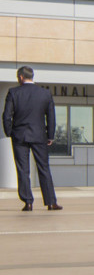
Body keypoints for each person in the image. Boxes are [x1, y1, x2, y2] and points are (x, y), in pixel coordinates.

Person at [3, 67, 61, 212]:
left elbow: (6, 115)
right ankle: (51, 202)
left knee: (23, 169)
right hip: (39, 135)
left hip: (19, 135)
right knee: (44, 168)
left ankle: (28, 202)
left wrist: (10, 132)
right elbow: (51, 116)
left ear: (21, 77)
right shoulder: (45, 93)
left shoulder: (13, 92)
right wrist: (50, 135)